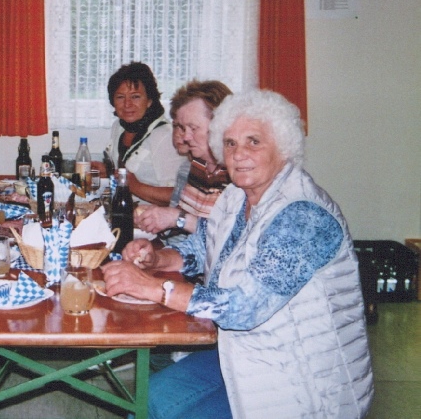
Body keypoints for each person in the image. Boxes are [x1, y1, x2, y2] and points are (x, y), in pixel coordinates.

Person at [101, 90, 373, 418]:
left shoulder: (303, 215)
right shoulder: (237, 196)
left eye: (253, 142)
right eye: (230, 143)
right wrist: (157, 258)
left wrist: (152, 287)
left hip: (302, 381)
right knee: (146, 402)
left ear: (284, 148)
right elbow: (204, 243)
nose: (239, 154)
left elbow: (244, 308)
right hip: (244, 352)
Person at [135, 80, 232, 241]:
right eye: (182, 128)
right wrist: (155, 218)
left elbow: (228, 240)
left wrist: (176, 218)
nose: (185, 137)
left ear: (220, 124)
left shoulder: (237, 176)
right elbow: (179, 235)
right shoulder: (197, 166)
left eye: (193, 128)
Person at [99, 62, 185, 206]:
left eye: (135, 97)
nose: (127, 104)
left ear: (149, 100)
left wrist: (136, 187)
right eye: (120, 97)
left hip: (153, 217)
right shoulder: (118, 127)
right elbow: (124, 173)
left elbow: (179, 195)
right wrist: (108, 171)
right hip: (123, 210)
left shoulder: (165, 136)